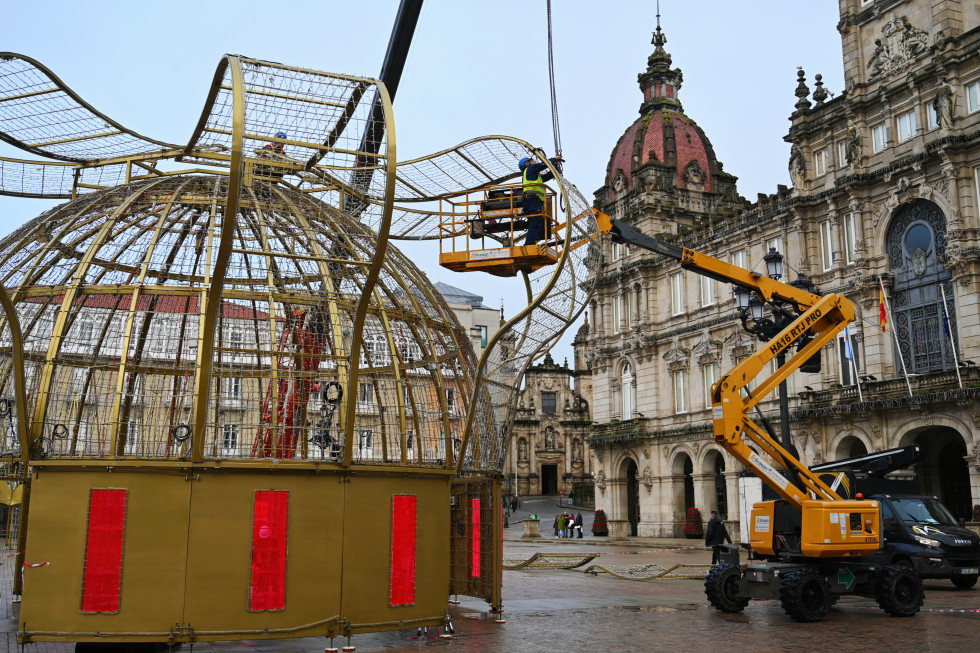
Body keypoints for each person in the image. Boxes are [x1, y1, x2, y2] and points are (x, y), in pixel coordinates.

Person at [518, 155, 564, 245]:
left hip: (534, 202)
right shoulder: (530, 169)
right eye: (531, 161)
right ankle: (529, 244)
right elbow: (542, 165)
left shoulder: (534, 175)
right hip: (532, 201)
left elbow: (546, 177)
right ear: (527, 164)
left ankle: (530, 242)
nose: (534, 162)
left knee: (537, 222)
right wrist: (554, 159)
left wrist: (555, 168)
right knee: (535, 221)